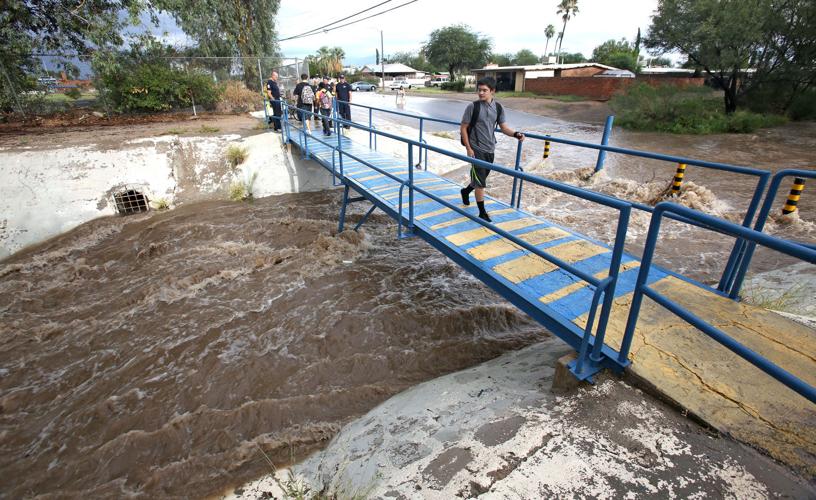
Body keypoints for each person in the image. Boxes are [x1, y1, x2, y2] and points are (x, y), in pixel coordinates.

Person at [459, 77, 525, 223]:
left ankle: (465, 191)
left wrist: (516, 134)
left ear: (492, 91)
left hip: (490, 148)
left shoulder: (498, 108)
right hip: (476, 149)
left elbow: (504, 128)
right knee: (481, 182)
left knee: (480, 178)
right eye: (479, 90)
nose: (481, 93)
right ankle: (482, 213)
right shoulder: (473, 107)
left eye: (485, 90)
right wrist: (469, 148)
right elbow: (463, 128)